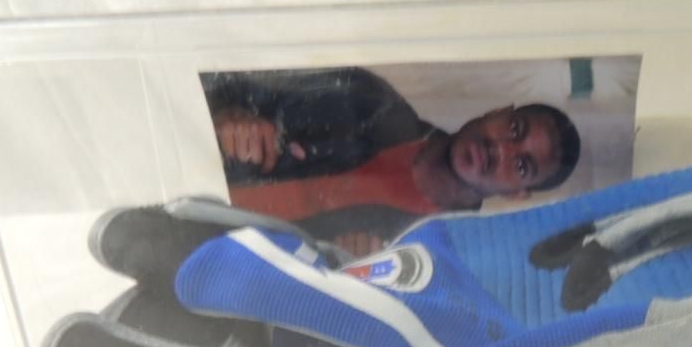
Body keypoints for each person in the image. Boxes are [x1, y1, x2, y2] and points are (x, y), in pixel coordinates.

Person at [203, 67, 582, 255]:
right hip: (182, 176)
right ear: (498, 111)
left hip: (205, 274)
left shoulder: (432, 254)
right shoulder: (364, 97)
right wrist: (227, 116)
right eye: (514, 128)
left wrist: (348, 276)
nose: (501, 149)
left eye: (521, 166)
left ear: (516, 194)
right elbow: (220, 77)